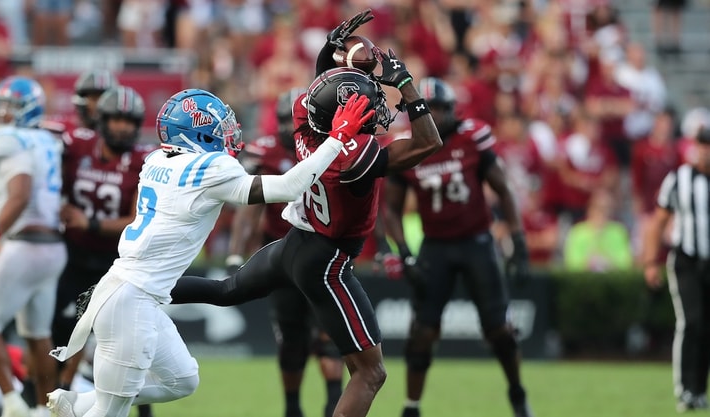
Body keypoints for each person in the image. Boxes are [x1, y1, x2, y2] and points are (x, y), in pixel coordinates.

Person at [167, 16, 443, 417]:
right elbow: (428, 141)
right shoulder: (354, 157)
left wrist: (326, 54)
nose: (375, 110)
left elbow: (321, 92)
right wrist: (404, 84)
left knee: (225, 291)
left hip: (292, 245)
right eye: (366, 107)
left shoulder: (304, 116)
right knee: (371, 374)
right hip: (327, 262)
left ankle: (137, 288)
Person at [46, 87, 373, 417]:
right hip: (132, 300)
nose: (226, 134)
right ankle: (94, 404)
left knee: (182, 380)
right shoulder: (208, 169)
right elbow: (289, 187)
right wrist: (337, 138)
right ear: (196, 135)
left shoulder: (156, 159)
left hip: (129, 291)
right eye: (217, 129)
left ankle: (79, 402)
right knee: (112, 411)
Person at [380, 78, 533, 417]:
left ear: (452, 110)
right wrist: (404, 252)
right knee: (421, 332)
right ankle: (412, 406)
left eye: (441, 109)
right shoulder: (407, 145)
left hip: (477, 241)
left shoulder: (472, 136)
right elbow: (389, 208)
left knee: (499, 331)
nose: (435, 115)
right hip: (435, 246)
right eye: (428, 109)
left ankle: (517, 394)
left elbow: (504, 189)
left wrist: (518, 240)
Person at [227, 87, 344, 417]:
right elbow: (248, 209)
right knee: (292, 343)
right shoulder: (265, 152)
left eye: (288, 119)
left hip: (322, 252)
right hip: (282, 255)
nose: (284, 126)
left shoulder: (329, 147)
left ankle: (332, 404)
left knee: (328, 337)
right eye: (279, 119)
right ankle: (293, 408)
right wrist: (237, 255)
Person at [0, 76, 67, 417]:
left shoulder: (9, 140)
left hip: (24, 243)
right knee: (37, 335)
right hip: (53, 244)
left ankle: (12, 404)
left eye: (12, 108)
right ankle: (43, 408)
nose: (4, 115)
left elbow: (20, 195)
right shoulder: (47, 140)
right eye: (1, 107)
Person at [54, 85, 156, 417]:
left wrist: (90, 223)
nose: (123, 128)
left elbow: (136, 218)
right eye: (116, 120)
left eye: (130, 121)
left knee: (130, 346)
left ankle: (141, 411)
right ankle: (51, 398)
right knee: (59, 332)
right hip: (72, 257)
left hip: (116, 264)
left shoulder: (142, 161)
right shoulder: (78, 147)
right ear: (101, 120)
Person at [642, 126, 710, 412]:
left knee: (706, 326)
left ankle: (698, 390)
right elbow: (657, 222)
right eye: (703, 145)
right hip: (687, 259)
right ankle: (684, 390)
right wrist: (650, 261)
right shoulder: (678, 179)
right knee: (691, 321)